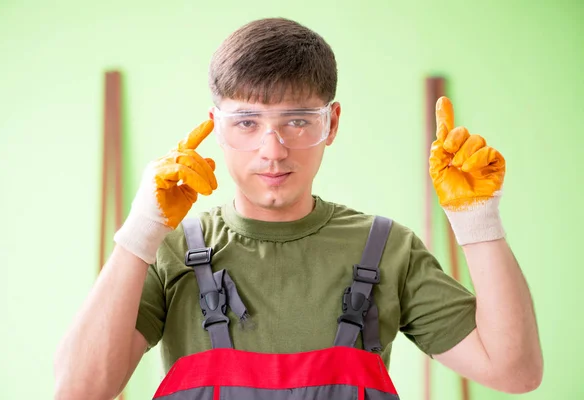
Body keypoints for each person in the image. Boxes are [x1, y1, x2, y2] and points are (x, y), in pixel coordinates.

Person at [53, 17, 543, 400]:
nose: (273, 149)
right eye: (246, 122)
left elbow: (515, 372)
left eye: (298, 121)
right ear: (215, 126)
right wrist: (140, 233)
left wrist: (478, 220)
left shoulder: (389, 249)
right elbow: (80, 390)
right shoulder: (172, 250)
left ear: (331, 122)